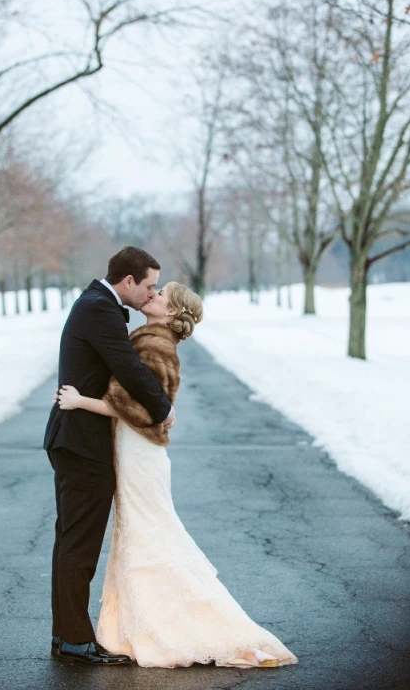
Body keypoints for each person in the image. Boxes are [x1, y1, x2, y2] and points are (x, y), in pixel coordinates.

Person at [58, 281, 299, 669]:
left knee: (151, 533)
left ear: (171, 312)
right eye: (153, 289)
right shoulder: (153, 337)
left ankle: (184, 627)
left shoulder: (154, 344)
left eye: (160, 294)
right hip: (135, 451)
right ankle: (145, 621)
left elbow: (141, 410)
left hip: (139, 451)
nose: (152, 295)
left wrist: (81, 401)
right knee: (143, 532)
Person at [43, 246, 176, 666]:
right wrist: (163, 408)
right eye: (150, 286)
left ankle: (68, 635)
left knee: (71, 541)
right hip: (81, 443)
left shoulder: (98, 304)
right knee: (78, 545)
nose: (151, 294)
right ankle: (76, 640)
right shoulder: (100, 308)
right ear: (129, 282)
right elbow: (130, 368)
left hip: (77, 439)